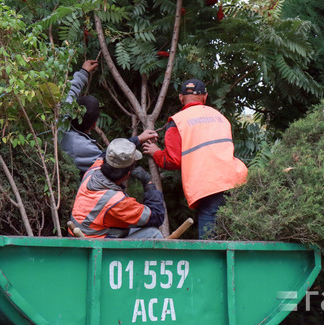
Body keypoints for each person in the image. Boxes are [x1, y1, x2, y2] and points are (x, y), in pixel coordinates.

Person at [143, 79, 248, 239]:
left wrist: (155, 152)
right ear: (205, 96)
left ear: (180, 97)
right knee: (235, 231)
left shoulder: (178, 122)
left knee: (209, 236)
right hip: (236, 179)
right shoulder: (219, 117)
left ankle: (209, 263)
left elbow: (173, 161)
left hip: (209, 185)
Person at [60, 59, 157, 176]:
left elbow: (70, 93)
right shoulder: (83, 148)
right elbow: (111, 158)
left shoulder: (60, 121)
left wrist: (84, 71)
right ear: (94, 124)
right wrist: (138, 140)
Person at [70, 138, 164, 239]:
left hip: (84, 232)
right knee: (153, 233)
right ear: (128, 174)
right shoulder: (116, 201)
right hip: (94, 243)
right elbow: (156, 215)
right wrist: (148, 183)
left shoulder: (92, 171)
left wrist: (138, 139)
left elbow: (109, 153)